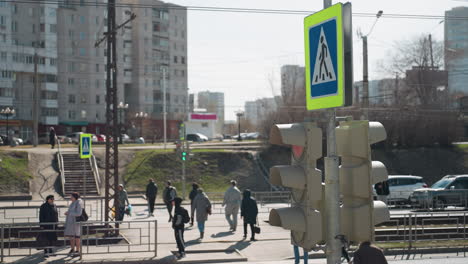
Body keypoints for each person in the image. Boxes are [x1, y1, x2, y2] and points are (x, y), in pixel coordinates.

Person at [64, 192, 84, 257]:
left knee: (77, 237)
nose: (70, 198)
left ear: (75, 197)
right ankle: (72, 249)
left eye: (71, 197)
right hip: (71, 223)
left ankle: (77, 251)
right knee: (71, 237)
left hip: (76, 223)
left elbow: (79, 213)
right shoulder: (73, 202)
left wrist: (69, 213)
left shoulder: (79, 203)